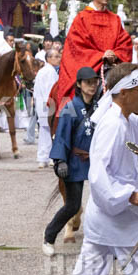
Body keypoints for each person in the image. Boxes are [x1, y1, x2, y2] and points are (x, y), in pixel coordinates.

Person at [60, 63, 138, 275]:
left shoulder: (127, 120)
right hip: (117, 217)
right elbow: (98, 174)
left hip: (105, 218)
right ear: (124, 93)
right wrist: (129, 195)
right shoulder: (113, 125)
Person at [53, 0, 133, 110]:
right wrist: (101, 56)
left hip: (113, 66)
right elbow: (76, 48)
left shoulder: (115, 19)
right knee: (75, 96)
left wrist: (115, 54)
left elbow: (125, 43)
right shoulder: (81, 18)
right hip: (91, 68)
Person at [43, 65, 99, 255]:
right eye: (88, 83)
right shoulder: (70, 107)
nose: (92, 86)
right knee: (72, 205)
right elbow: (61, 136)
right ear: (79, 84)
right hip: (74, 160)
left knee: (103, 202)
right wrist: (60, 161)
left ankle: (106, 244)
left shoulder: (100, 106)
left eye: (95, 82)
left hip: (96, 161)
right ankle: (49, 238)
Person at [34, 45, 61, 168]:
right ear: (48, 58)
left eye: (58, 56)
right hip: (48, 103)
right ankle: (50, 157)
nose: (58, 58)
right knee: (51, 131)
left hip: (41, 104)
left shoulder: (42, 71)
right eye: (55, 56)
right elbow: (51, 90)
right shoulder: (50, 71)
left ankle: (42, 158)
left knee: (44, 132)